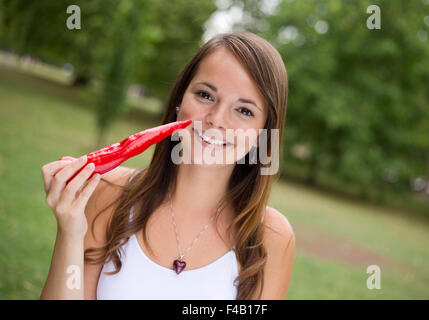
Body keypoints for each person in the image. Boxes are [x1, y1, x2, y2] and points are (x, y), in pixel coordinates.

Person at [40, 31, 295, 300]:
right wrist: (70, 231)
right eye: (205, 95)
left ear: (262, 133)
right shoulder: (108, 191)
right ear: (179, 99)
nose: (217, 119)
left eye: (244, 111)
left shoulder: (271, 237)